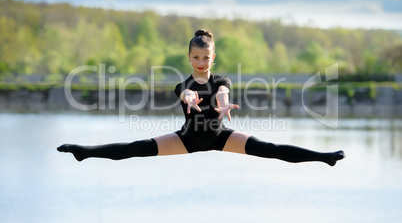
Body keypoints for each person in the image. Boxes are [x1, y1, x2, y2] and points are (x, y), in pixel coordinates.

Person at [58, 29, 345, 166]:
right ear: (189, 57)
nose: (201, 62)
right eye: (196, 57)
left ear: (213, 57)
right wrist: (189, 97)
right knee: (136, 147)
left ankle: (324, 157)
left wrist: (222, 103)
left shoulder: (222, 80)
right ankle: (86, 151)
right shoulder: (183, 84)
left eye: (206, 57)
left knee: (270, 148)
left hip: (220, 136)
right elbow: (184, 92)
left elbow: (222, 92)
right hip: (187, 138)